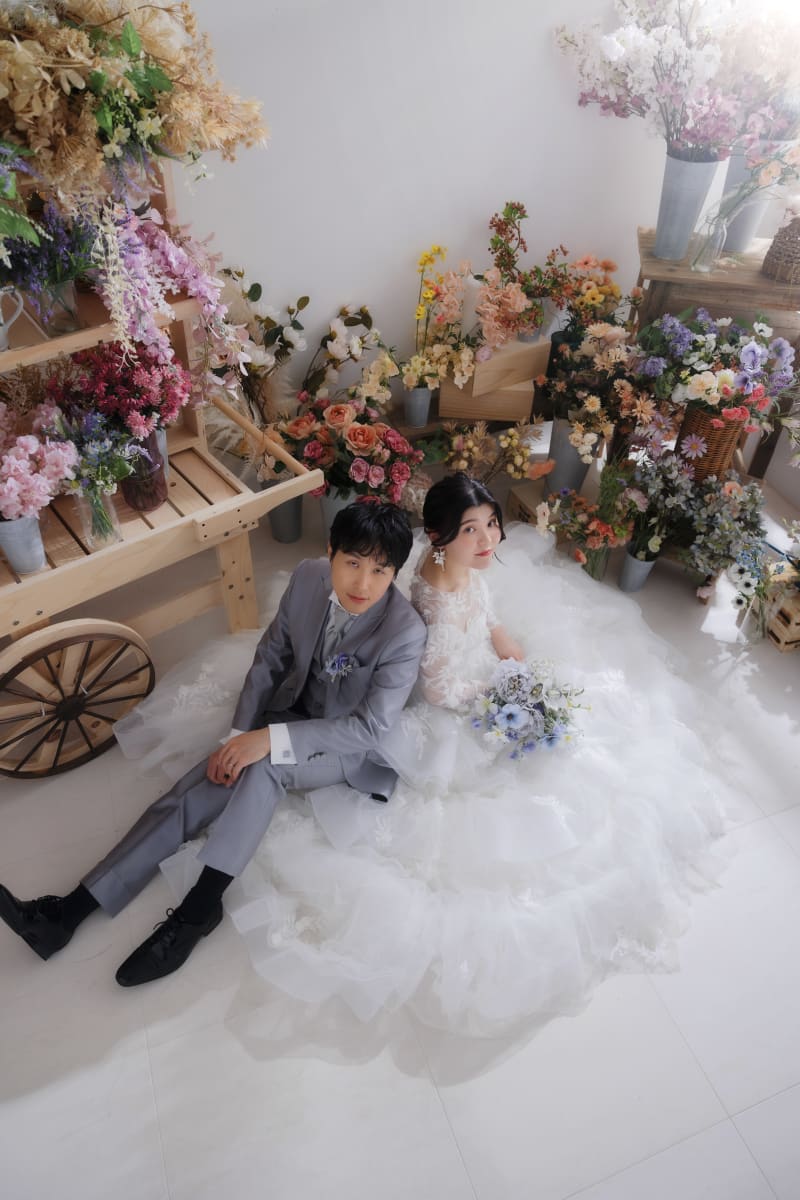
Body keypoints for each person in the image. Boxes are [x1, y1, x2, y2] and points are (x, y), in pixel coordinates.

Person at [137, 471, 738, 1036]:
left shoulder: (464, 570)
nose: (487, 539)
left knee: (581, 750)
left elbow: (489, 617)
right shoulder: (426, 606)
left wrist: (513, 659)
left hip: (476, 677)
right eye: (471, 530)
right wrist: (502, 692)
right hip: (444, 706)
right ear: (440, 537)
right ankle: (191, 891)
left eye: (491, 525)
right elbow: (441, 688)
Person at [0, 501, 427, 987]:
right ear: (330, 551)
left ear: (395, 572)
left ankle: (198, 911)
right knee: (204, 781)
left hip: (348, 749)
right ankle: (68, 912)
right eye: (352, 563)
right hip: (290, 711)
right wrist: (240, 735)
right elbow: (271, 656)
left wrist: (268, 740)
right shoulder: (308, 577)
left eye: (380, 571)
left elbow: (370, 729)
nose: (364, 583)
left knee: (265, 766)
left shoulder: (405, 632)